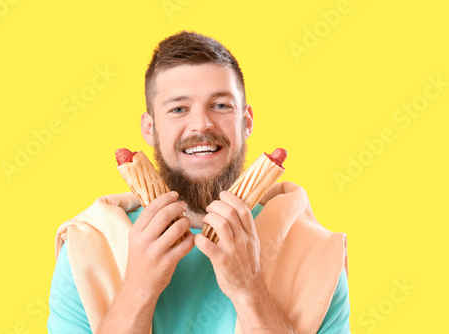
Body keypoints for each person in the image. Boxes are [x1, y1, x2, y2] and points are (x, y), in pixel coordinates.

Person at [48, 31, 350, 334]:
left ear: (246, 123)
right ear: (150, 129)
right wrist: (138, 289)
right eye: (179, 109)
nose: (202, 123)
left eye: (220, 105)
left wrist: (249, 289)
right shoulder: (87, 248)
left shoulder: (316, 254)